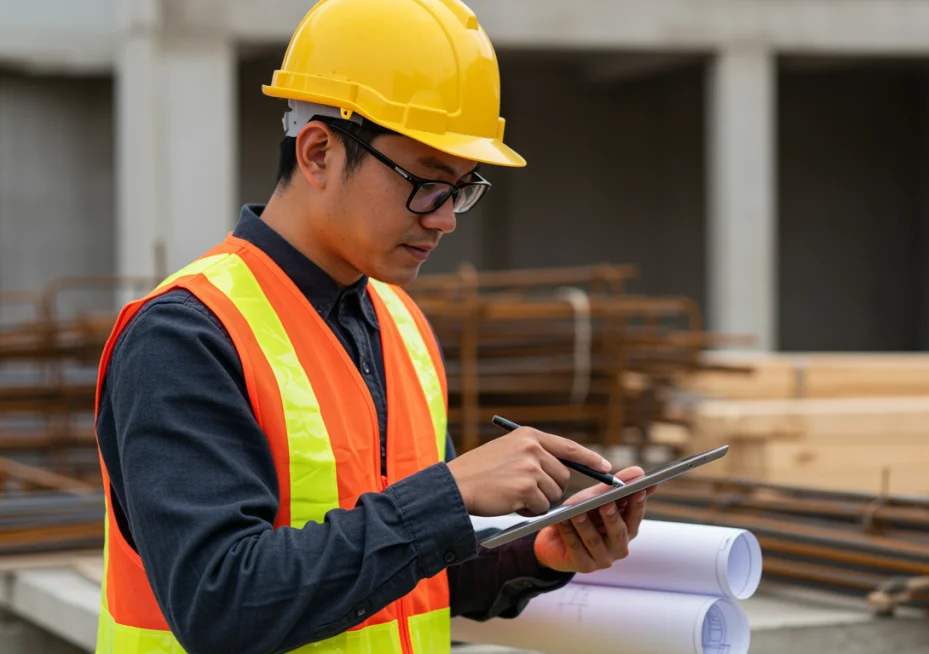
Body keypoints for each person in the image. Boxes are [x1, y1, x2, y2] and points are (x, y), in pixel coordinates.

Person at [91, 1, 655, 652]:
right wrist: (450, 492)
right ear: (319, 152)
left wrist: (542, 553)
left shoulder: (399, 325)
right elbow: (222, 603)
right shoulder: (187, 335)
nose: (445, 219)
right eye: (427, 183)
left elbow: (413, 573)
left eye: (463, 188)